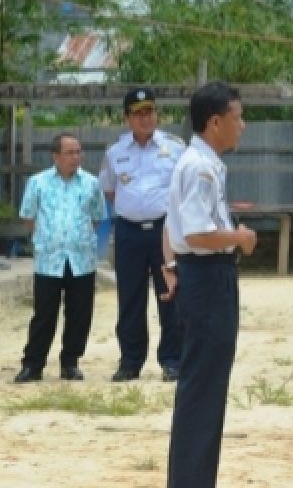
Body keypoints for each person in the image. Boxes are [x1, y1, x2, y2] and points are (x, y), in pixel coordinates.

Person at [164, 82, 258, 488]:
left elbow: (174, 224)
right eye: (237, 117)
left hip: (206, 276)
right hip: (206, 277)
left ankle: (197, 477)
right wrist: (240, 237)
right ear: (215, 121)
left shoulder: (205, 163)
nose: (243, 126)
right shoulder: (200, 167)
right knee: (202, 384)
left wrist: (170, 263)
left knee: (208, 383)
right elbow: (200, 234)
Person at [100, 88, 185, 382]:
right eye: (138, 113)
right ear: (127, 119)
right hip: (129, 232)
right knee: (131, 298)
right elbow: (110, 191)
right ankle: (130, 361)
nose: (145, 118)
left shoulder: (175, 148)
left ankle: (173, 360)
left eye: (149, 111)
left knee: (170, 294)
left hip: (165, 231)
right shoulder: (115, 153)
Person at [14, 133, 107, 382]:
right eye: (70, 152)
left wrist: (79, 237)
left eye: (79, 152)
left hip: (82, 259)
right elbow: (28, 218)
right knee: (44, 314)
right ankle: (33, 365)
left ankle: (70, 362)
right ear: (55, 156)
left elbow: (97, 217)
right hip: (49, 260)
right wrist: (48, 239)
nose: (76, 157)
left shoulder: (91, 183)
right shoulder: (37, 183)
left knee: (79, 314)